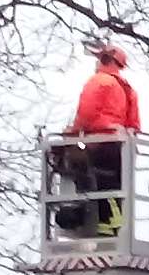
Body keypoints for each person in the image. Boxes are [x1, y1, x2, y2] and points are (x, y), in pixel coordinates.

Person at [59, 44, 138, 236]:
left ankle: (86, 217)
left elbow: (86, 112)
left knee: (89, 179)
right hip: (119, 146)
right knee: (113, 187)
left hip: (99, 142)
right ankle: (111, 227)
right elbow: (134, 123)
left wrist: (73, 133)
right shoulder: (127, 89)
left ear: (105, 60)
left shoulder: (99, 81)